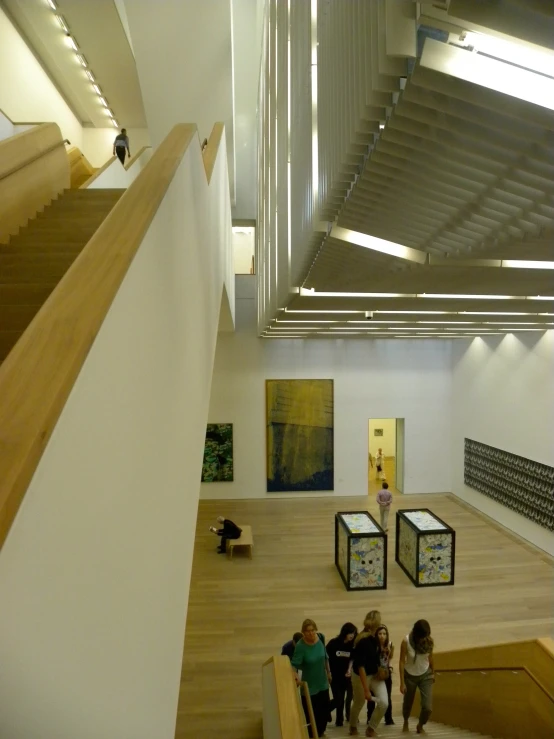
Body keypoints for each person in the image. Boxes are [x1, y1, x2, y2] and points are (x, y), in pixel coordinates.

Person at [349, 610, 388, 737]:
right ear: (376, 623)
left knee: (384, 703)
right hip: (361, 676)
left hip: (375, 675)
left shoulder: (375, 637)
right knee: (359, 702)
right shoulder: (363, 641)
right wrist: (366, 690)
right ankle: (353, 726)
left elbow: (376, 657)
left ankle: (371, 728)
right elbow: (360, 667)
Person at [291, 619, 331, 738]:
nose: (311, 633)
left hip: (322, 682)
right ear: (303, 632)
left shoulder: (321, 638)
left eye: (313, 630)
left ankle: (321, 732)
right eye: (307, 631)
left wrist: (329, 672)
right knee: (312, 715)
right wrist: (295, 675)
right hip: (309, 686)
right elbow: (294, 664)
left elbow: (325, 657)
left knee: (324, 712)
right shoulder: (300, 646)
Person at [399, 619, 435, 735]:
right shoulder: (406, 641)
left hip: (426, 674)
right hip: (410, 676)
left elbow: (430, 657)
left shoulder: (429, 641)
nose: (425, 638)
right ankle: (405, 721)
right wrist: (401, 682)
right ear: (417, 634)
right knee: (408, 702)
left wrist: (433, 672)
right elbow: (401, 662)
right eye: (423, 636)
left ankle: (420, 725)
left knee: (427, 707)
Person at [326, 622, 357, 727]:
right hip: (334, 677)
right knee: (338, 699)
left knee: (342, 699)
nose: (352, 635)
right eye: (350, 633)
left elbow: (352, 659)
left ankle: (339, 721)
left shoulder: (351, 646)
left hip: (345, 677)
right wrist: (328, 672)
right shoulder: (333, 643)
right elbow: (325, 658)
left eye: (353, 633)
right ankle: (324, 710)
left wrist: (349, 669)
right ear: (345, 632)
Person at [367, 625, 394, 726]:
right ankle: (370, 718)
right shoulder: (373, 645)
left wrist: (390, 667)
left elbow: (390, 657)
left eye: (384, 634)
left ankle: (388, 718)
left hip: (386, 673)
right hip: (374, 673)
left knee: (388, 696)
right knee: (372, 697)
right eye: (380, 634)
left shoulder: (390, 644)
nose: (382, 636)